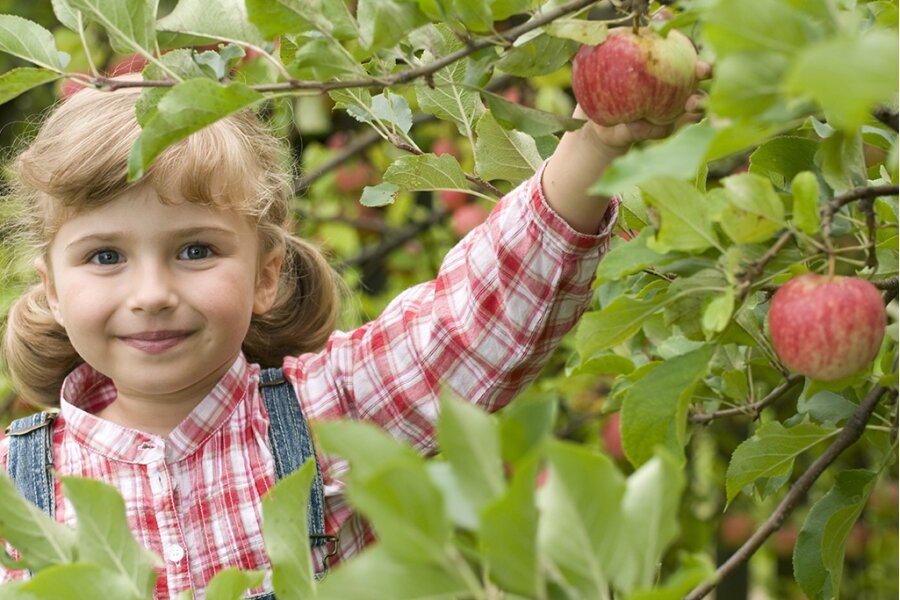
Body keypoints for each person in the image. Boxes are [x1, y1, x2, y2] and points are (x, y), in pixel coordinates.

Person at [0, 59, 708, 598]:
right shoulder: (13, 488)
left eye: (195, 250)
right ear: (54, 291)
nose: (151, 294)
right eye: (104, 257)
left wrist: (596, 143)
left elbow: (472, 324)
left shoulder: (324, 410)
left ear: (266, 272)